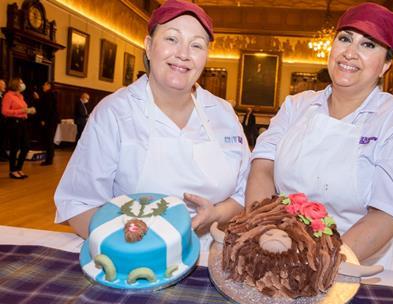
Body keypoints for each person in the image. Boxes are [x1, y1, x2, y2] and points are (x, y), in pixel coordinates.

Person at [245, 3, 393, 270]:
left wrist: (321, 264)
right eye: (345, 39)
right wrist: (264, 232)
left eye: (368, 45)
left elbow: (388, 213)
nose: (350, 53)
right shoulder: (296, 105)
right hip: (278, 252)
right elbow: (263, 168)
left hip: (355, 264)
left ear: (386, 64)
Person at [54, 0, 250, 262]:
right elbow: (77, 204)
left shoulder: (223, 113)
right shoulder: (114, 113)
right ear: (148, 45)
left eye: (196, 45)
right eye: (171, 39)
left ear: (205, 56)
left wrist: (217, 214)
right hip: (131, 257)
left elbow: (244, 191)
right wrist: (132, 247)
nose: (183, 53)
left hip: (212, 256)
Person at [1, 78, 36, 179]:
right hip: (13, 123)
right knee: (14, 147)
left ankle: (19, 168)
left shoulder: (20, 96)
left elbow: (23, 110)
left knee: (26, 146)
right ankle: (13, 170)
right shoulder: (8, 95)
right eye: (21, 82)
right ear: (16, 84)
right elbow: (5, 111)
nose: (22, 84)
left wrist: (29, 111)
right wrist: (22, 111)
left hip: (22, 122)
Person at [37, 81, 59, 165]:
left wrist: (44, 120)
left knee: (48, 140)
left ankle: (48, 160)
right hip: (52, 120)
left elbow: (47, 109)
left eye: (44, 84)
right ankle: (50, 157)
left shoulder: (48, 94)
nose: (43, 86)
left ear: (49, 86)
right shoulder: (52, 94)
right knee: (50, 139)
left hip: (49, 120)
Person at [0, 79, 8, 161]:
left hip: (3, 121)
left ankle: (2, 154)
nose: (5, 86)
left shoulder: (3, 95)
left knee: (3, 138)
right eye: (3, 84)